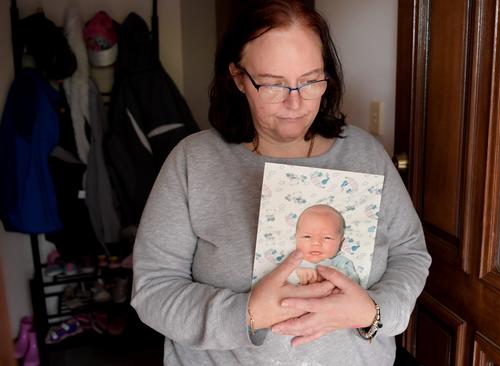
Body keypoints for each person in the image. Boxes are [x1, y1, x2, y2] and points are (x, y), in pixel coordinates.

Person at [130, 1, 431, 365]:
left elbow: (409, 254)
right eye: (273, 85)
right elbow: (153, 289)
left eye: (310, 80)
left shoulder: (366, 154)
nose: (295, 103)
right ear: (238, 78)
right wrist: (247, 313)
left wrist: (373, 312)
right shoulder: (193, 160)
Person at [288, 204, 360, 286]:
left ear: (340, 242)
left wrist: (334, 274)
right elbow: (274, 281)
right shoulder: (291, 261)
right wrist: (295, 275)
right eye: (307, 236)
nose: (316, 243)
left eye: (327, 238)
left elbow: (355, 286)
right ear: (296, 238)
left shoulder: (341, 262)